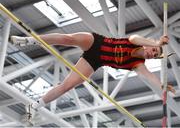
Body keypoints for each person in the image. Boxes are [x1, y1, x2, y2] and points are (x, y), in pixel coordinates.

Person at [11, 32, 175, 119]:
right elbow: (135, 37)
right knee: (68, 39)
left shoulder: (137, 64)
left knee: (67, 86)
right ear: (149, 44)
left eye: (154, 56)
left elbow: (149, 76)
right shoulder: (136, 41)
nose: (151, 54)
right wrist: (157, 44)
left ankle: (34, 106)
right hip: (97, 42)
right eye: (153, 51)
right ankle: (28, 40)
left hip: (95, 61)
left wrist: (161, 85)